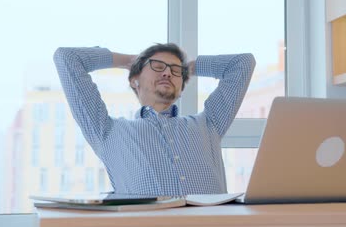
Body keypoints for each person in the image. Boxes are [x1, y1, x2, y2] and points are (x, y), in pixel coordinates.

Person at [53, 43, 255, 196]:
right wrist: (126, 60)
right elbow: (67, 58)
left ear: (181, 88)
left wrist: (189, 68)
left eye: (175, 71)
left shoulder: (209, 124)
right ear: (135, 80)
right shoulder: (107, 131)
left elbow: (243, 63)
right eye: (158, 66)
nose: (168, 72)